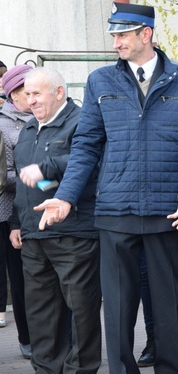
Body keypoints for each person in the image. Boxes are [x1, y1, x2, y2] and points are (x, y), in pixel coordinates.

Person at [35, 1, 178, 372]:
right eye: (114, 34)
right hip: (115, 213)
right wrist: (66, 196)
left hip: (169, 213)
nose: (115, 41)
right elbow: (86, 144)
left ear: (145, 34)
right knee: (117, 314)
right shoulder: (101, 79)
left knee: (170, 311)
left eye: (121, 34)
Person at [9, 67, 101, 373]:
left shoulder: (82, 122)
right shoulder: (27, 129)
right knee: (40, 313)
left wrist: (47, 168)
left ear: (58, 92)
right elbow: (25, 182)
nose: (30, 100)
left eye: (36, 94)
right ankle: (46, 369)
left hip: (73, 234)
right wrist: (15, 223)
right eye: (27, 94)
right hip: (34, 236)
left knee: (82, 311)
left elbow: (90, 161)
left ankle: (81, 369)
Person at [0, 64, 32, 358]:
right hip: (12, 213)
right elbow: (5, 175)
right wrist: (37, 176)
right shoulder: (3, 125)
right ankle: (25, 337)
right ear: (13, 94)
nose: (33, 97)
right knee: (20, 278)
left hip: (46, 209)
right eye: (26, 91)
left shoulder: (47, 116)